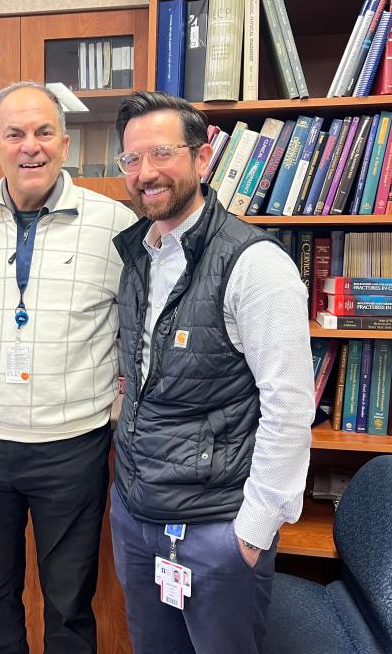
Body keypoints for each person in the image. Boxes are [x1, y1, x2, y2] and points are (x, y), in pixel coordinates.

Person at [108, 91, 315, 654]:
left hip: (215, 529)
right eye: (131, 159)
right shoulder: (137, 255)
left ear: (203, 160)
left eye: (162, 154)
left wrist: (251, 533)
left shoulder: (254, 264)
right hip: (137, 517)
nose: (145, 173)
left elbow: (290, 408)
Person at [0, 81, 136, 654]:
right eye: (16, 134)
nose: (32, 147)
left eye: (45, 132)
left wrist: (118, 413)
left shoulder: (115, 225)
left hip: (72, 445)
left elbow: (135, 333)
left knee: (70, 603)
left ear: (66, 143)